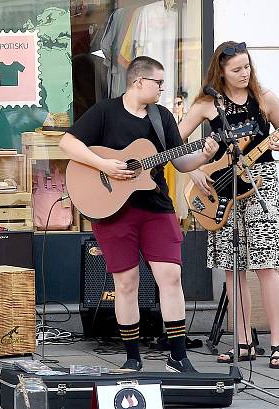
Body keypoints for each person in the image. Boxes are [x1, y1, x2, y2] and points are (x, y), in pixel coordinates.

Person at [59, 56, 218, 373]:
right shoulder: (105, 112)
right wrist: (104, 165)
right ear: (138, 81)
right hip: (114, 211)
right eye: (158, 82)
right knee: (127, 283)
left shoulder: (163, 118)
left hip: (156, 207)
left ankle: (178, 355)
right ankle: (132, 357)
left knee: (171, 277)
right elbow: (67, 142)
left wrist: (203, 155)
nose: (162, 88)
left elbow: (180, 162)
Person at [177, 41, 279, 369]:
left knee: (266, 263)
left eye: (247, 67)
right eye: (236, 69)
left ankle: (277, 343)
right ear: (221, 71)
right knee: (232, 269)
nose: (244, 74)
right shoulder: (206, 104)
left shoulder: (265, 99)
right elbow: (177, 141)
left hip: (261, 182)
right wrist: (199, 168)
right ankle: (243, 341)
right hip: (223, 186)